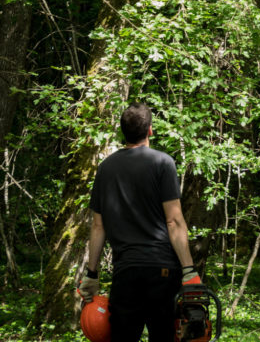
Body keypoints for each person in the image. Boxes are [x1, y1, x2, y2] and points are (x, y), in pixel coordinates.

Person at [78, 101, 200, 342]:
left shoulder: (106, 168)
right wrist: (189, 270)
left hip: (126, 272)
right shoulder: (163, 163)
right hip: (163, 271)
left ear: (122, 132)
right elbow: (174, 221)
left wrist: (92, 274)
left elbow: (98, 226)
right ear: (150, 130)